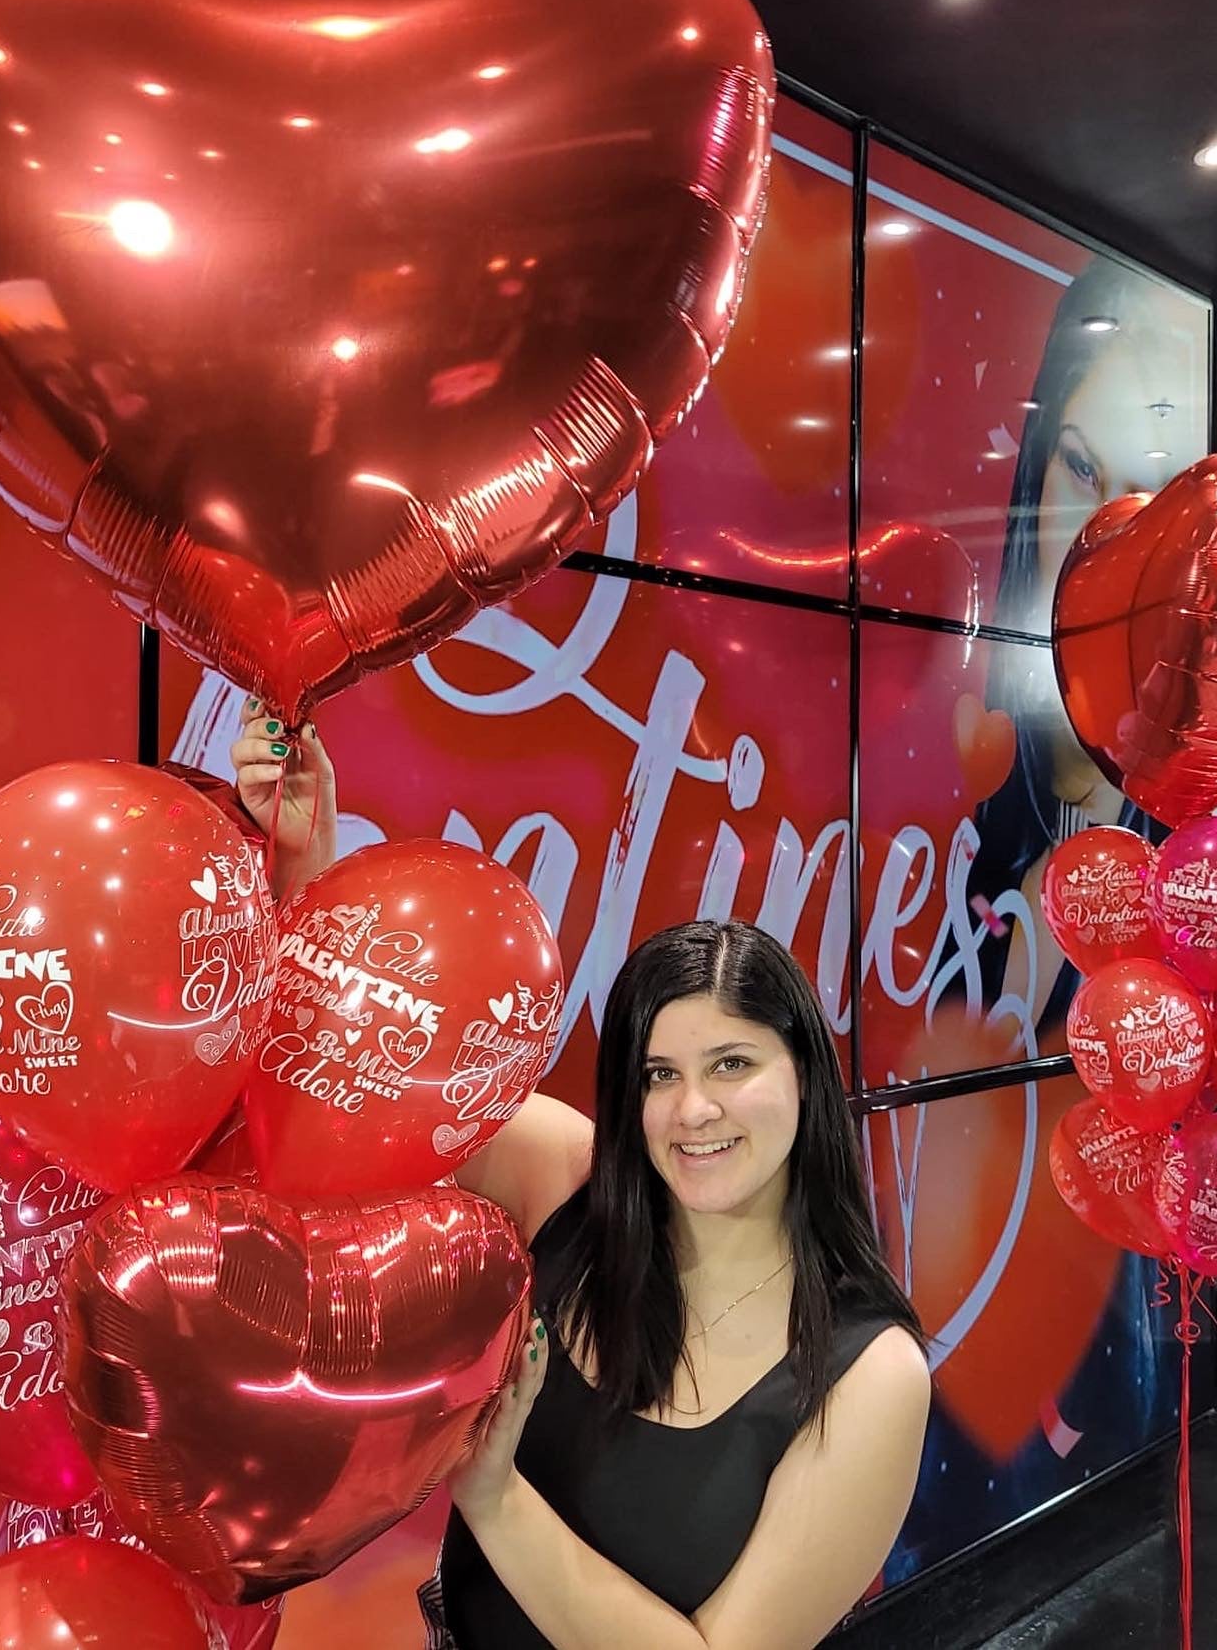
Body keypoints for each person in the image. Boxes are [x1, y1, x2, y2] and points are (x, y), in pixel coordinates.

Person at [232, 700, 930, 1650]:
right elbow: (370, 1096)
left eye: (733, 1063)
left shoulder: (870, 1374)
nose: (694, 1110)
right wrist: (303, 869)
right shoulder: (568, 1180)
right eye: (659, 1075)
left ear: (804, 1074)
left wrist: (495, 1495)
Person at [971, 255, 1206, 1039]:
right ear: (1037, 468)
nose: (1107, 538)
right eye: (1081, 468)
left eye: (1151, 498)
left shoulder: (1205, 837)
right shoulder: (950, 762)